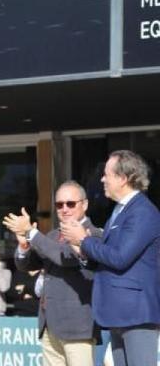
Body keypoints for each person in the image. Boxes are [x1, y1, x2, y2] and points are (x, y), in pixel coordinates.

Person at [60, 150, 160, 366]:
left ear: (123, 178)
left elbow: (120, 257)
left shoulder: (142, 211)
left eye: (107, 174)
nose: (102, 179)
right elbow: (109, 256)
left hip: (136, 314)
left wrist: (84, 241)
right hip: (119, 312)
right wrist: (82, 249)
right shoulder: (121, 210)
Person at [4, 181, 100, 365]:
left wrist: (32, 233)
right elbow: (28, 265)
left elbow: (63, 257)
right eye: (59, 204)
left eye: (70, 203)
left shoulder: (93, 235)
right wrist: (24, 245)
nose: (64, 209)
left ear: (84, 205)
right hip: (50, 324)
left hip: (77, 326)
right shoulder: (52, 236)